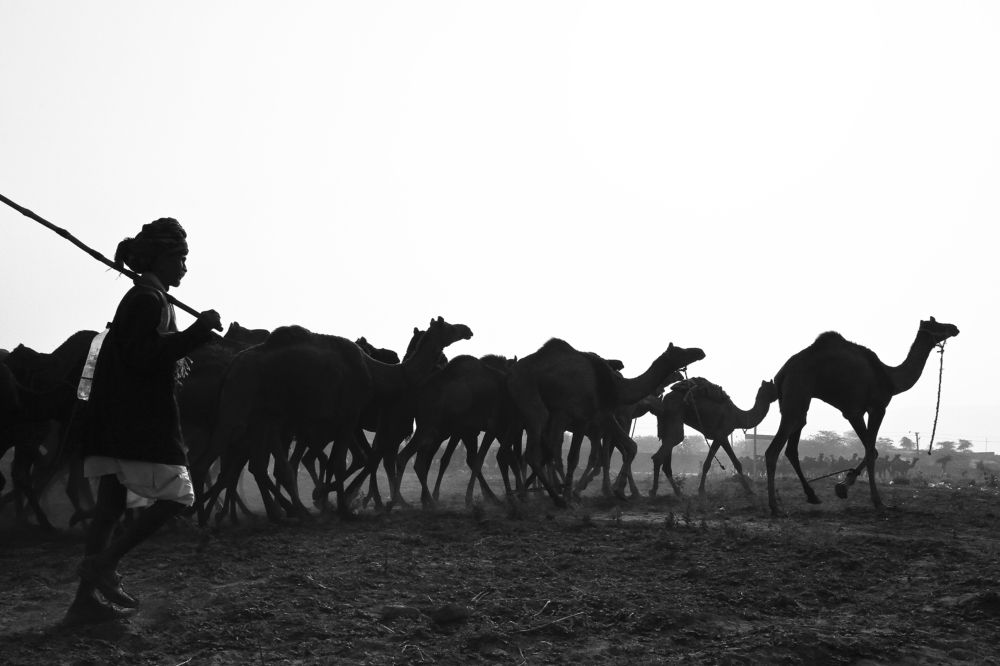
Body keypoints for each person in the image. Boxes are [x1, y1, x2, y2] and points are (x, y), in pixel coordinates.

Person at [62, 217, 221, 626]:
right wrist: (197, 333)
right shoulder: (148, 300)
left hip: (117, 419)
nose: (184, 268)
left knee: (109, 509)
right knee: (178, 497)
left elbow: (145, 352)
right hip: (138, 421)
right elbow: (144, 357)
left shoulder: (150, 297)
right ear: (157, 258)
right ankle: (104, 563)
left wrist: (188, 333)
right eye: (179, 258)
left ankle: (83, 603)